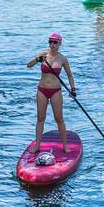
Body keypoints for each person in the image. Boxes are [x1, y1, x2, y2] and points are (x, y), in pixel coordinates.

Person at [26, 34, 77, 163]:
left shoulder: (63, 59)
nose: (52, 44)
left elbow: (70, 75)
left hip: (56, 91)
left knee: (59, 119)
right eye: (50, 42)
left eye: (55, 42)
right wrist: (37, 60)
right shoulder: (43, 54)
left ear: (60, 44)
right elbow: (29, 65)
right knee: (40, 118)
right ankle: (37, 145)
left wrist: (73, 89)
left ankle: (65, 146)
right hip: (42, 90)